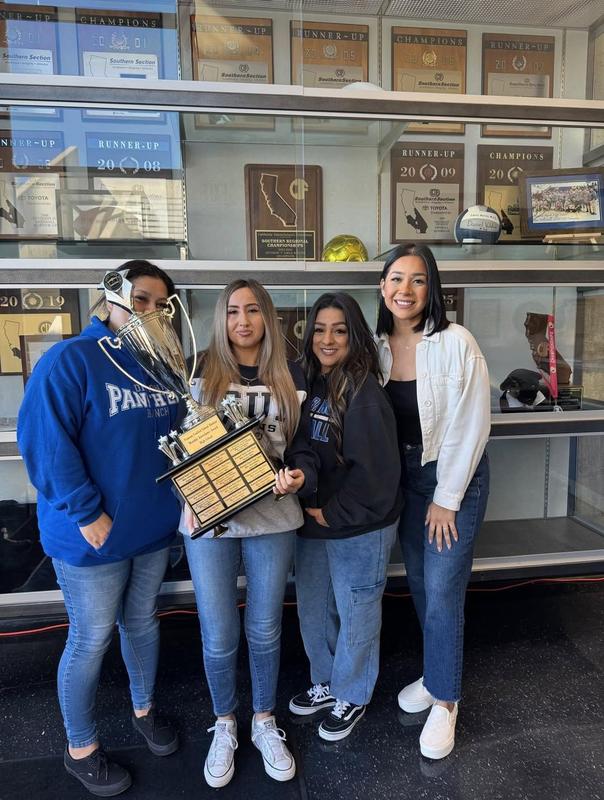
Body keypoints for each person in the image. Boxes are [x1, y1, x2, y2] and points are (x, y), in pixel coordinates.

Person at [17, 260, 181, 797]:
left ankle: (143, 708)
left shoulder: (159, 367)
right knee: (90, 639)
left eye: (161, 303)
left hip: (152, 530)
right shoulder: (70, 359)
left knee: (143, 624)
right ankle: (80, 747)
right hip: (95, 535)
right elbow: (45, 445)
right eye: (142, 299)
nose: (151, 311)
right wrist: (88, 511)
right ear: (110, 296)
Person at [182, 279, 315, 789]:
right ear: (222, 317)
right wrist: (188, 500)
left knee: (264, 629)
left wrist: (298, 474)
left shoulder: (292, 372)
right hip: (210, 520)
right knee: (218, 634)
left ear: (267, 316)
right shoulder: (198, 372)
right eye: (234, 311)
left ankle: (263, 721)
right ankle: (224, 723)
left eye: (253, 309)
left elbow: (305, 445)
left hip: (273, 517)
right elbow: (180, 450)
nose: (243, 320)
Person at [376, 243, 490, 760]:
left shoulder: (456, 342)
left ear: (432, 288)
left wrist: (446, 498)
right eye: (396, 279)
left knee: (443, 589)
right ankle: (435, 670)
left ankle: (446, 701)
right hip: (403, 481)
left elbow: (472, 424)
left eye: (417, 280)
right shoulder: (374, 347)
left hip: (452, 478)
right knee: (420, 584)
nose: (406, 290)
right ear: (382, 288)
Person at [278, 292, 401, 742]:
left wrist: (333, 513)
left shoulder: (364, 392)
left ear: (355, 336)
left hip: (356, 525)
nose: (328, 339)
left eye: (340, 330)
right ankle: (328, 681)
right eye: (320, 329)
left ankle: (354, 692)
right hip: (313, 523)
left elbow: (379, 475)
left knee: (356, 612)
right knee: (315, 610)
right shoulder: (309, 381)